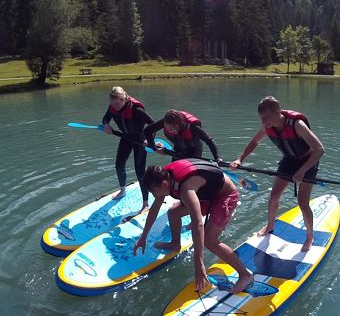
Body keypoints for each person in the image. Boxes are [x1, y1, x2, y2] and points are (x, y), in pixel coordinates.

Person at [133, 158, 253, 293]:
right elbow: (154, 210)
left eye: (153, 192)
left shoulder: (185, 188)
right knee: (173, 212)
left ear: (164, 184)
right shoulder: (163, 178)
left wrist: (199, 265)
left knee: (209, 240)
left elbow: (198, 224)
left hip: (224, 196)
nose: (154, 195)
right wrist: (143, 237)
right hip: (206, 194)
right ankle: (175, 243)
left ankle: (245, 275)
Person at [230, 95, 325, 252]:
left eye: (266, 118)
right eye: (261, 118)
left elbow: (320, 149)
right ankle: (270, 226)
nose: (263, 122)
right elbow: (254, 142)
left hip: (308, 161)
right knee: (274, 196)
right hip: (289, 160)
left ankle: (309, 237)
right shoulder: (267, 126)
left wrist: (302, 171)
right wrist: (240, 159)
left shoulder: (297, 124)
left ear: (277, 112)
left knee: (302, 202)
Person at [102, 86, 154, 215]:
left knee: (140, 171)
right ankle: (122, 190)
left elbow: (153, 124)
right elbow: (105, 118)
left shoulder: (136, 109)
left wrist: (150, 140)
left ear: (123, 99)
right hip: (125, 138)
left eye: (117, 104)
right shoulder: (112, 107)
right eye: (113, 105)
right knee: (119, 165)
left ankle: (146, 203)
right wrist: (106, 125)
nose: (115, 107)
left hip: (140, 140)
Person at [144, 109, 222, 163]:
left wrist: (217, 158)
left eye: (171, 128)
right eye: (167, 128)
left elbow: (209, 141)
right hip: (178, 149)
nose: (169, 131)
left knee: (190, 173)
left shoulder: (193, 127)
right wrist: (152, 145)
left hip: (194, 150)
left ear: (178, 124)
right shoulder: (165, 122)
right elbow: (148, 131)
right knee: (174, 172)